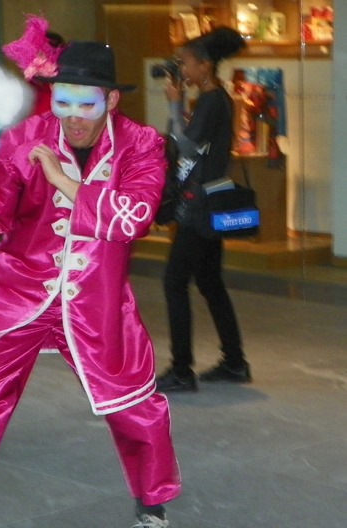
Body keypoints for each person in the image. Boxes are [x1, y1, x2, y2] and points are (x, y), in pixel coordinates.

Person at [0, 41, 180, 528]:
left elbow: (133, 219)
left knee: (135, 407)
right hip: (18, 293)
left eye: (88, 104)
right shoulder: (25, 137)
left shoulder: (142, 145)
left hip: (99, 301)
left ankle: (151, 504)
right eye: (63, 102)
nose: (74, 117)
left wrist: (62, 180)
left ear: (112, 100)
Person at [156, 27, 252, 393]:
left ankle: (182, 369)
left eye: (186, 63)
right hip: (210, 204)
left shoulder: (212, 101)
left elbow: (185, 147)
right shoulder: (217, 99)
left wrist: (173, 105)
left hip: (200, 209)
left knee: (174, 282)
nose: (182, 69)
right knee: (210, 282)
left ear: (205, 66)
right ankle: (235, 362)